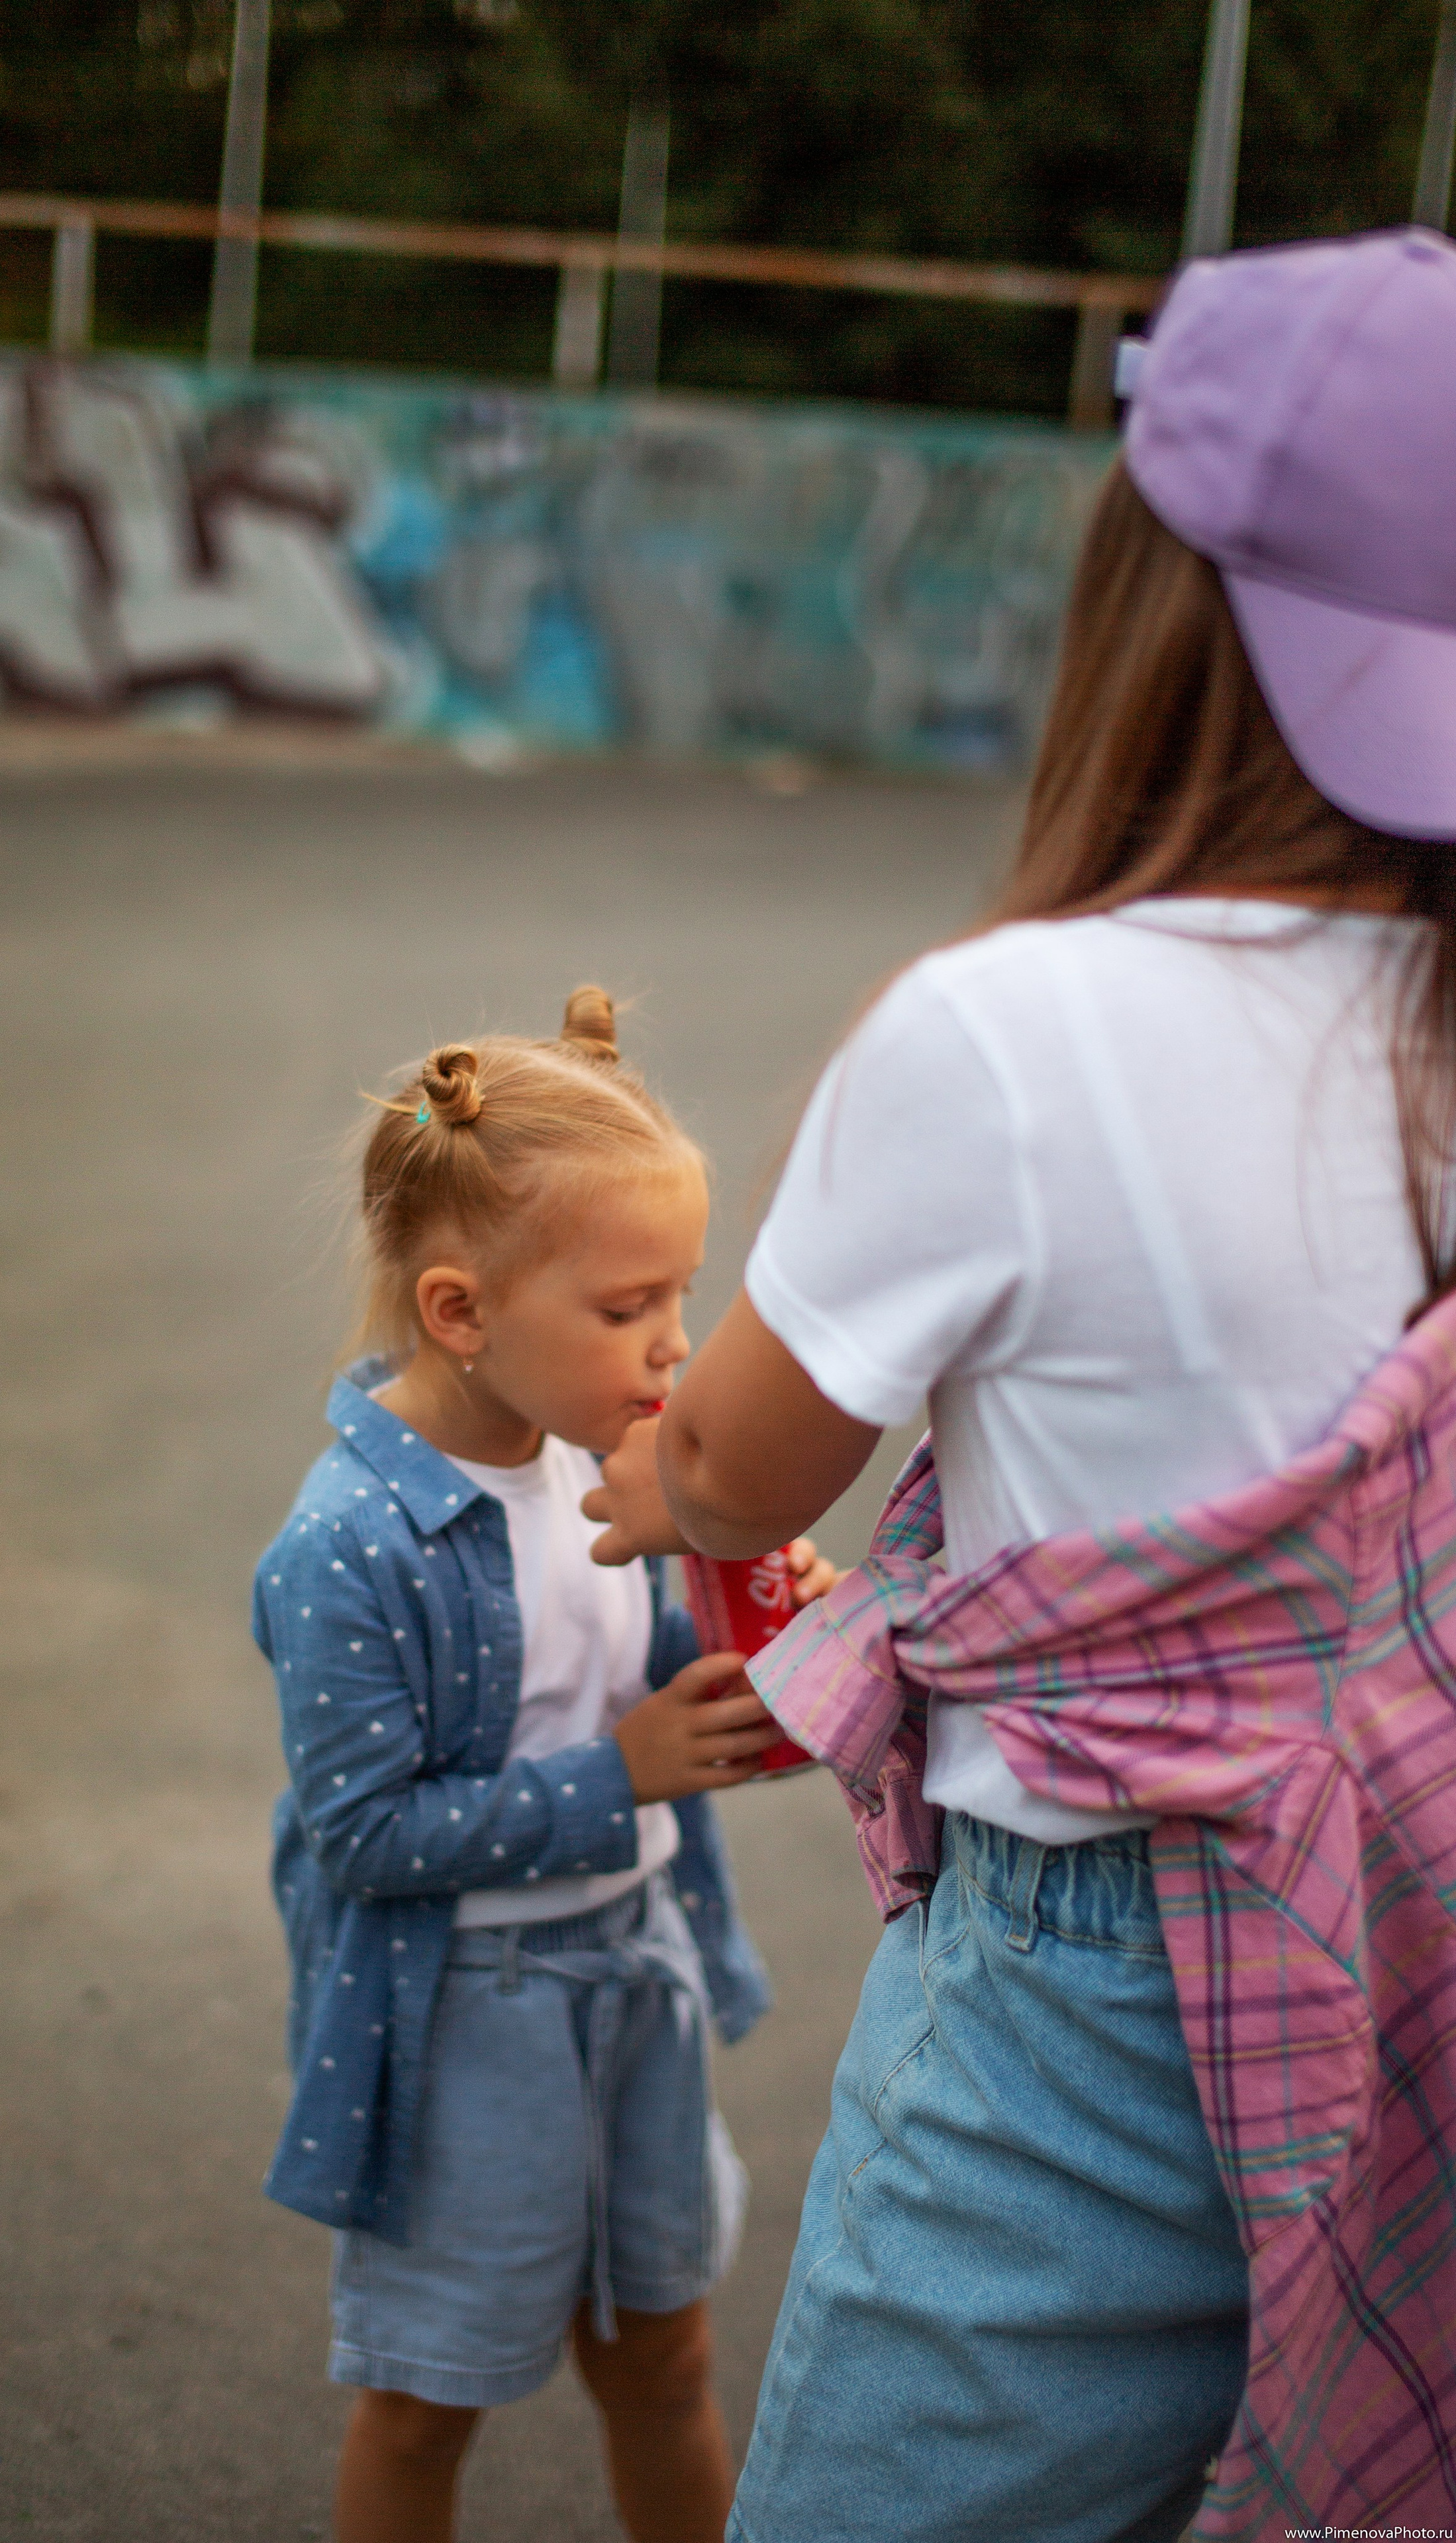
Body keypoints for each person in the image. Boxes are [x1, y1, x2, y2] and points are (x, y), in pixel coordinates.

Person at [587, 229, 1456, 2540]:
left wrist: (650, 1474)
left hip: (1100, 1979)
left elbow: (734, 1457)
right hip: (1425, 1927)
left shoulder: (1015, 1033)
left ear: (1154, 614)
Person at [252, 985, 832, 2543]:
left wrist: (777, 1640)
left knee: (665, 2360)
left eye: (681, 1295)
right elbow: (364, 1835)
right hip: (467, 2021)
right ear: (460, 1313)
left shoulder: (592, 1456)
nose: (674, 1348)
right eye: (627, 1307)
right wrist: (624, 1774)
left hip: (635, 1976)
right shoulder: (347, 1542)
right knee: (427, 2398)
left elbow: (623, 1695)